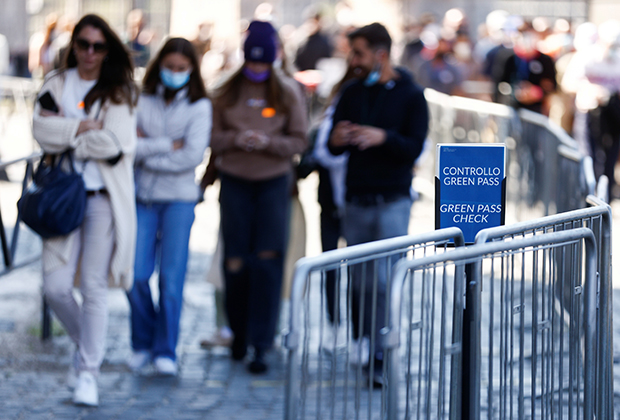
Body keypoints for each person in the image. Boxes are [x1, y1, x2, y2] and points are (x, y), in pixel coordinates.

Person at [32, 14, 138, 406]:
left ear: (107, 49)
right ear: (73, 45)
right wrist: (84, 128)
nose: (89, 53)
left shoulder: (119, 91)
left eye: (98, 46)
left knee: (93, 286)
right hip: (62, 198)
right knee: (56, 287)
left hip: (102, 201)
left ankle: (88, 372)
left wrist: (66, 130)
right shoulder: (55, 84)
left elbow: (116, 144)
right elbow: (40, 131)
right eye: (83, 44)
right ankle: (87, 345)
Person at [328, 23, 428, 386]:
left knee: (385, 280)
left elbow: (414, 146)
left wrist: (383, 137)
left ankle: (383, 350)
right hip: (356, 198)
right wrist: (339, 137)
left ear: (380, 54)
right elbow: (332, 145)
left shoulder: (412, 94)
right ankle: (363, 338)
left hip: (392, 199)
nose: (353, 60)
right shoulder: (351, 91)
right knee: (360, 278)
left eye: (359, 53)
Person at [210, 20, 308, 374]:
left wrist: (269, 144)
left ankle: (262, 343)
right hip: (234, 182)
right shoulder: (224, 91)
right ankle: (238, 331)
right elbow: (211, 136)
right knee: (235, 260)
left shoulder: (288, 92)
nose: (255, 69)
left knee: (267, 262)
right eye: (251, 62)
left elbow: (299, 141)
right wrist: (237, 139)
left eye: (262, 63)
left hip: (272, 184)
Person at [126, 37, 211, 375]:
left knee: (171, 281)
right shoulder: (141, 98)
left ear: (191, 70)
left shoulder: (200, 106)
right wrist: (165, 146)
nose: (174, 73)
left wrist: (149, 150)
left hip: (178, 200)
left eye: (181, 69)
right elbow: (129, 145)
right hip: (143, 199)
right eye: (169, 67)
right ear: (159, 66)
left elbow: (191, 156)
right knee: (134, 275)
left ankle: (166, 349)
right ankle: (142, 341)